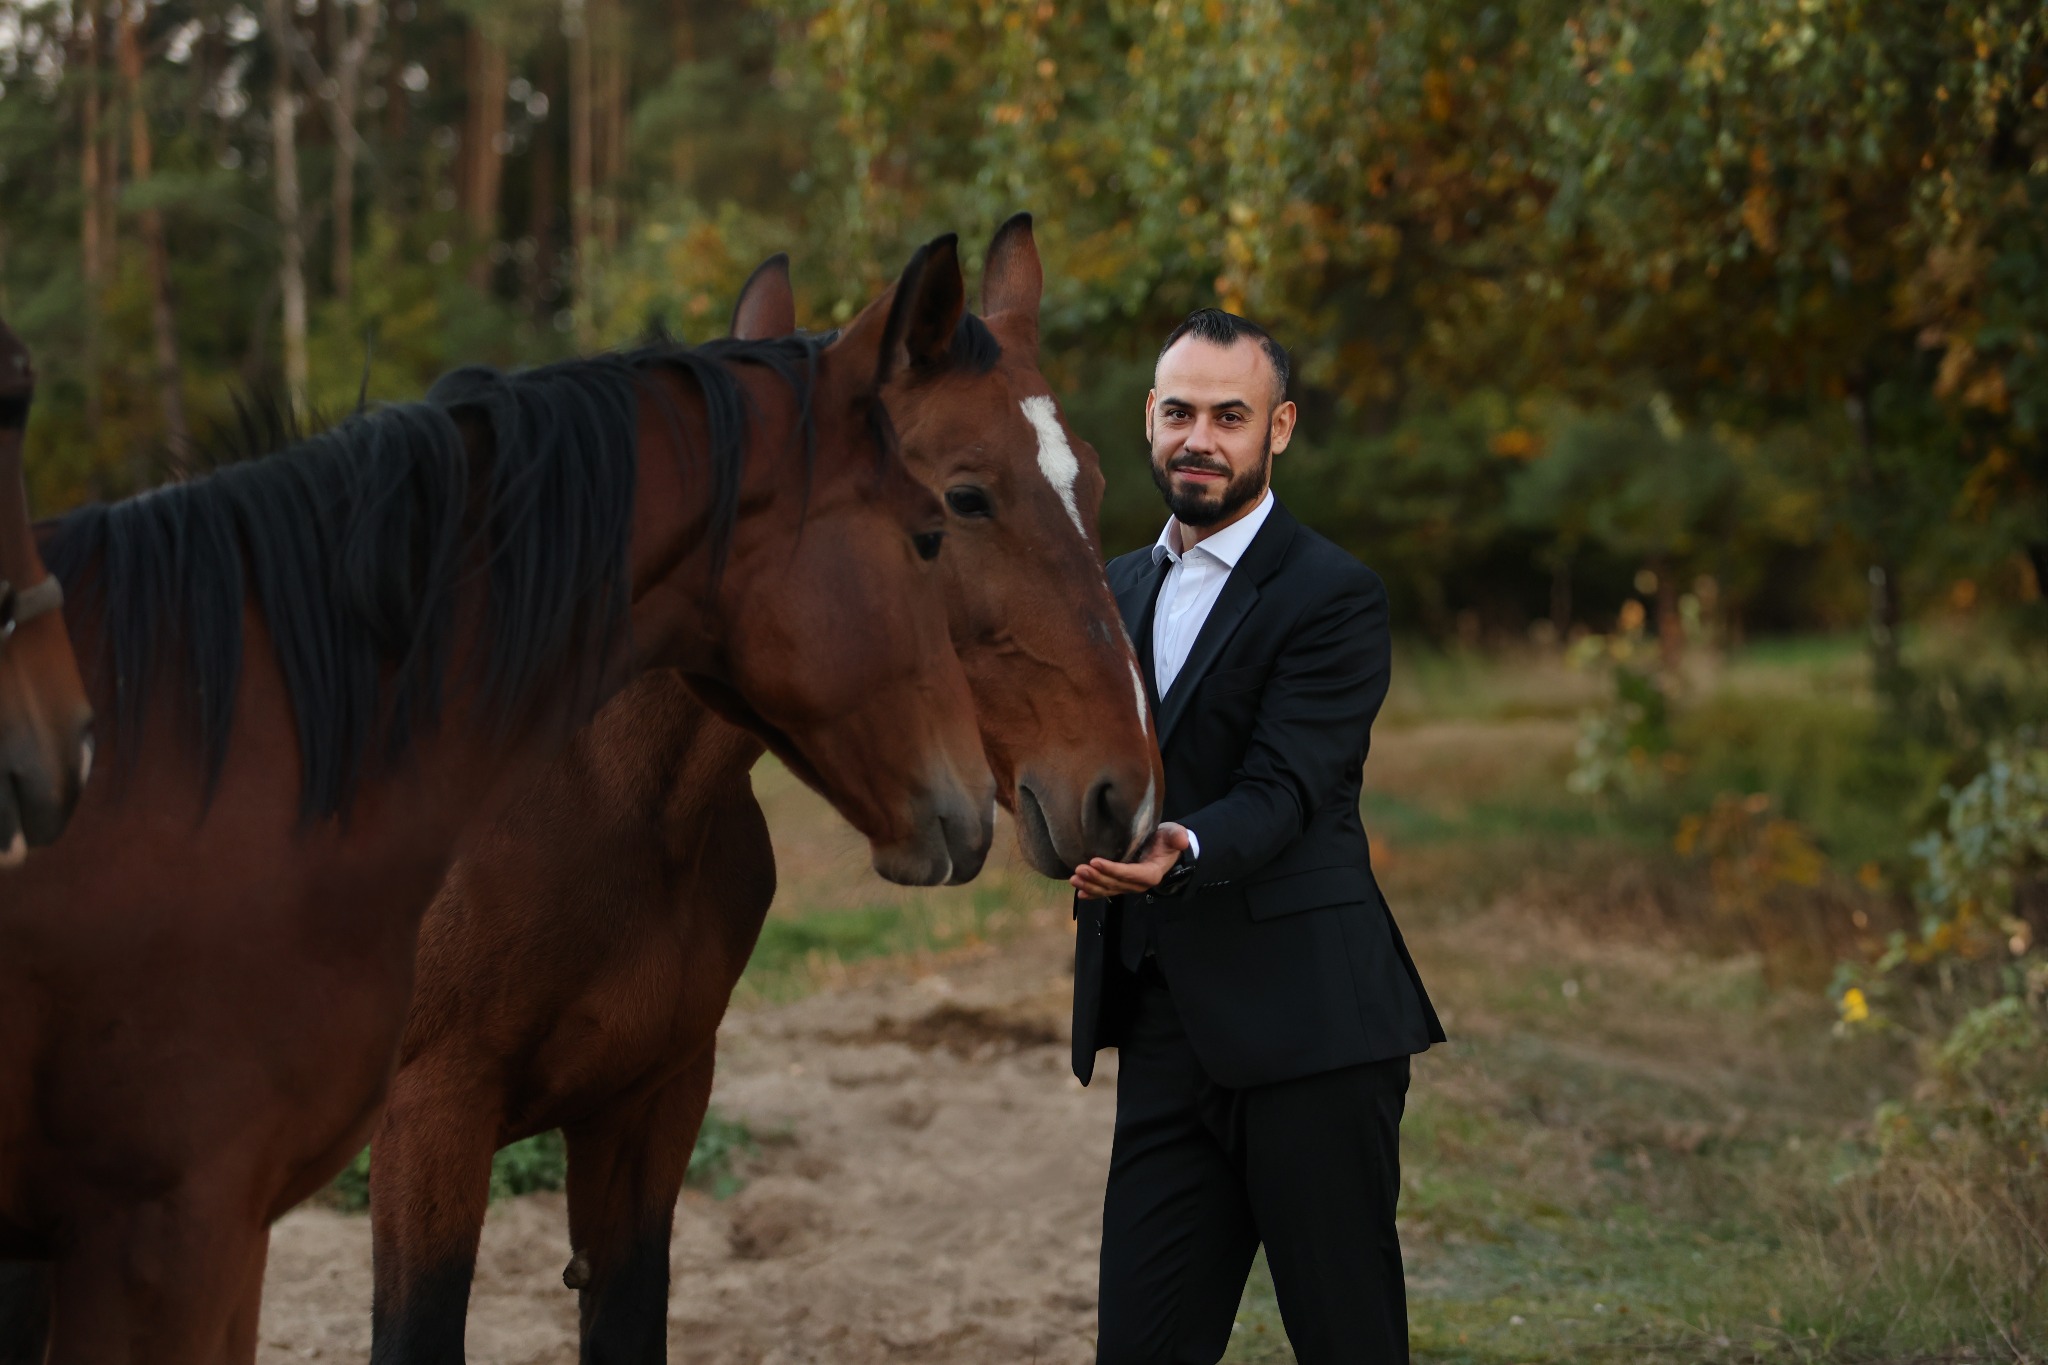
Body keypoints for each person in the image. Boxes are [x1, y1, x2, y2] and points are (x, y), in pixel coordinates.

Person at [1069, 308, 1444, 1364]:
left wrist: (1176, 850)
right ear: (1148, 416)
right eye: (1179, 411)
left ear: (1277, 429)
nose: (1200, 437)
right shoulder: (1106, 589)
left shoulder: (1331, 595)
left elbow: (1286, 789)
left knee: (1345, 1341)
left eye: (1228, 416)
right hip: (1159, 1028)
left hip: (1312, 1032)